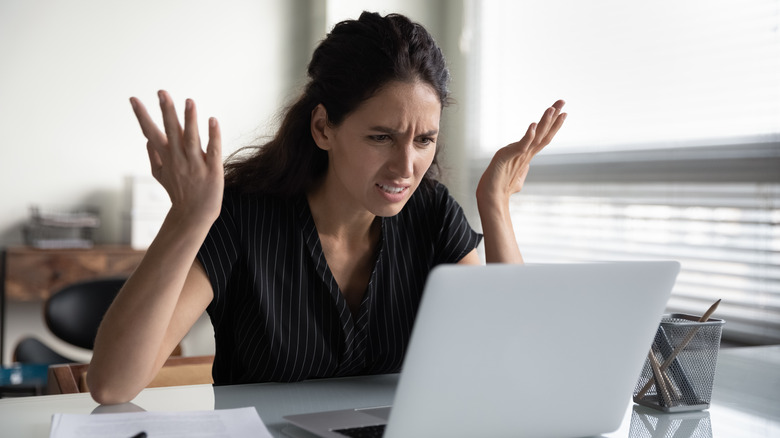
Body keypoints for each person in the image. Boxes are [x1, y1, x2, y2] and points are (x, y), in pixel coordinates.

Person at [88, 11, 566, 404]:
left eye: (424, 140)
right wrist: (189, 217)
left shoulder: (431, 213)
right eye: (381, 137)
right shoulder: (242, 215)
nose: (406, 166)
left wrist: (495, 204)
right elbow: (112, 385)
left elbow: (515, 361)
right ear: (323, 128)